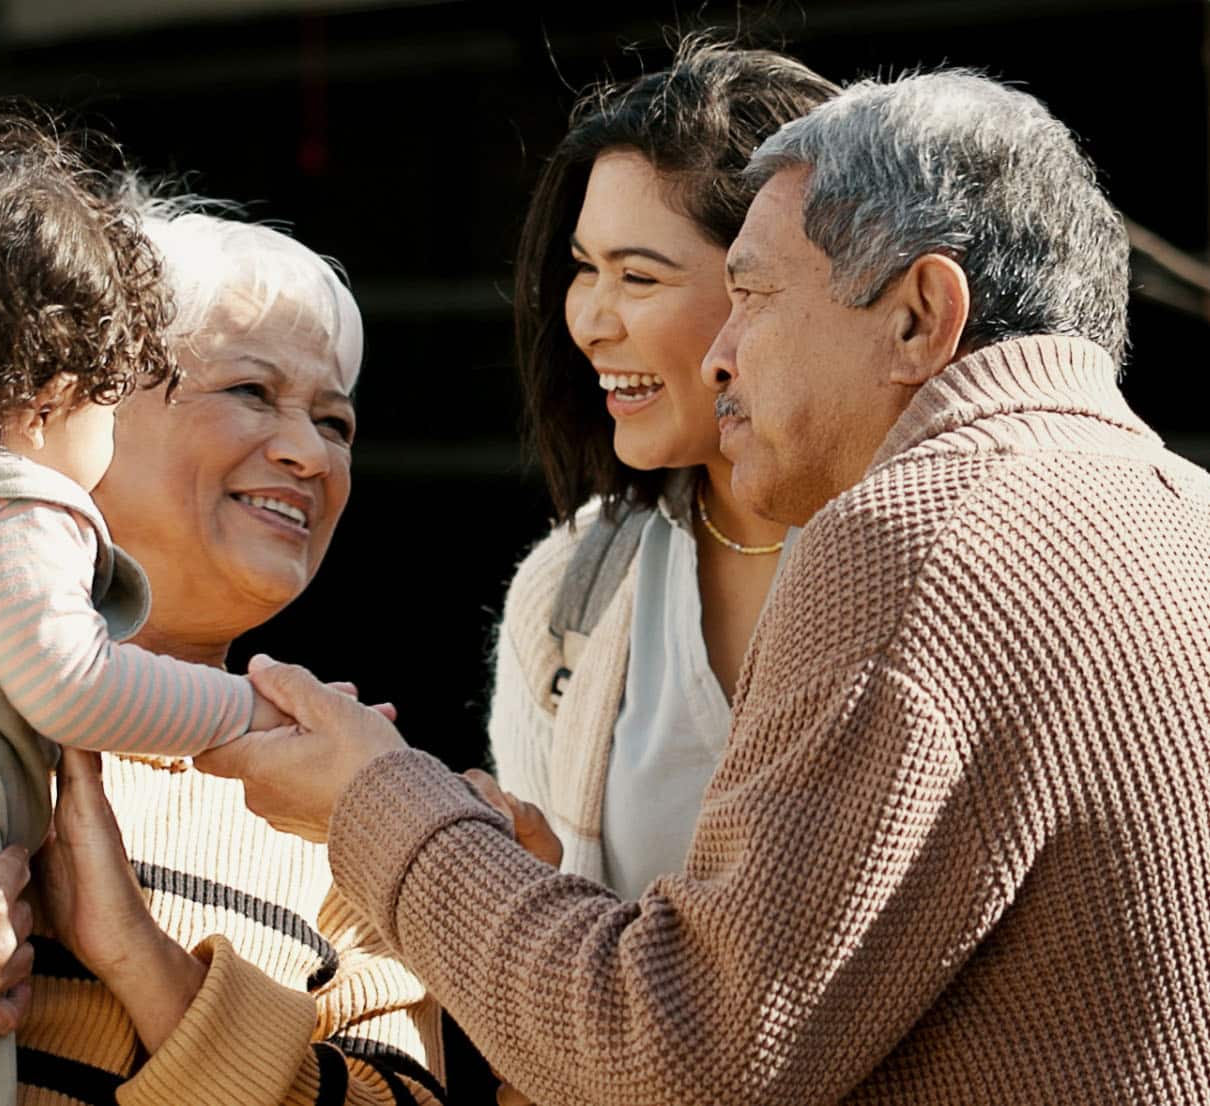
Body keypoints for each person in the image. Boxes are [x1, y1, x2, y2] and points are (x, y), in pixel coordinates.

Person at [202, 70, 1210, 1104]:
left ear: (919, 315)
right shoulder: (1183, 508)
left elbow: (676, 1053)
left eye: (755, 294)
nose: (723, 354)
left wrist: (376, 799)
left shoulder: (911, 534)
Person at [0, 189, 446, 1104]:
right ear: (75, 395)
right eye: (252, 392)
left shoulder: (352, 798)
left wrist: (141, 958)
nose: (310, 456)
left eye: (336, 424)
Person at [489, 43, 836, 897]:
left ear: (773, 285)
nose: (592, 323)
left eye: (638, 275)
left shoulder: (945, 556)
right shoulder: (570, 586)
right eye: (583, 270)